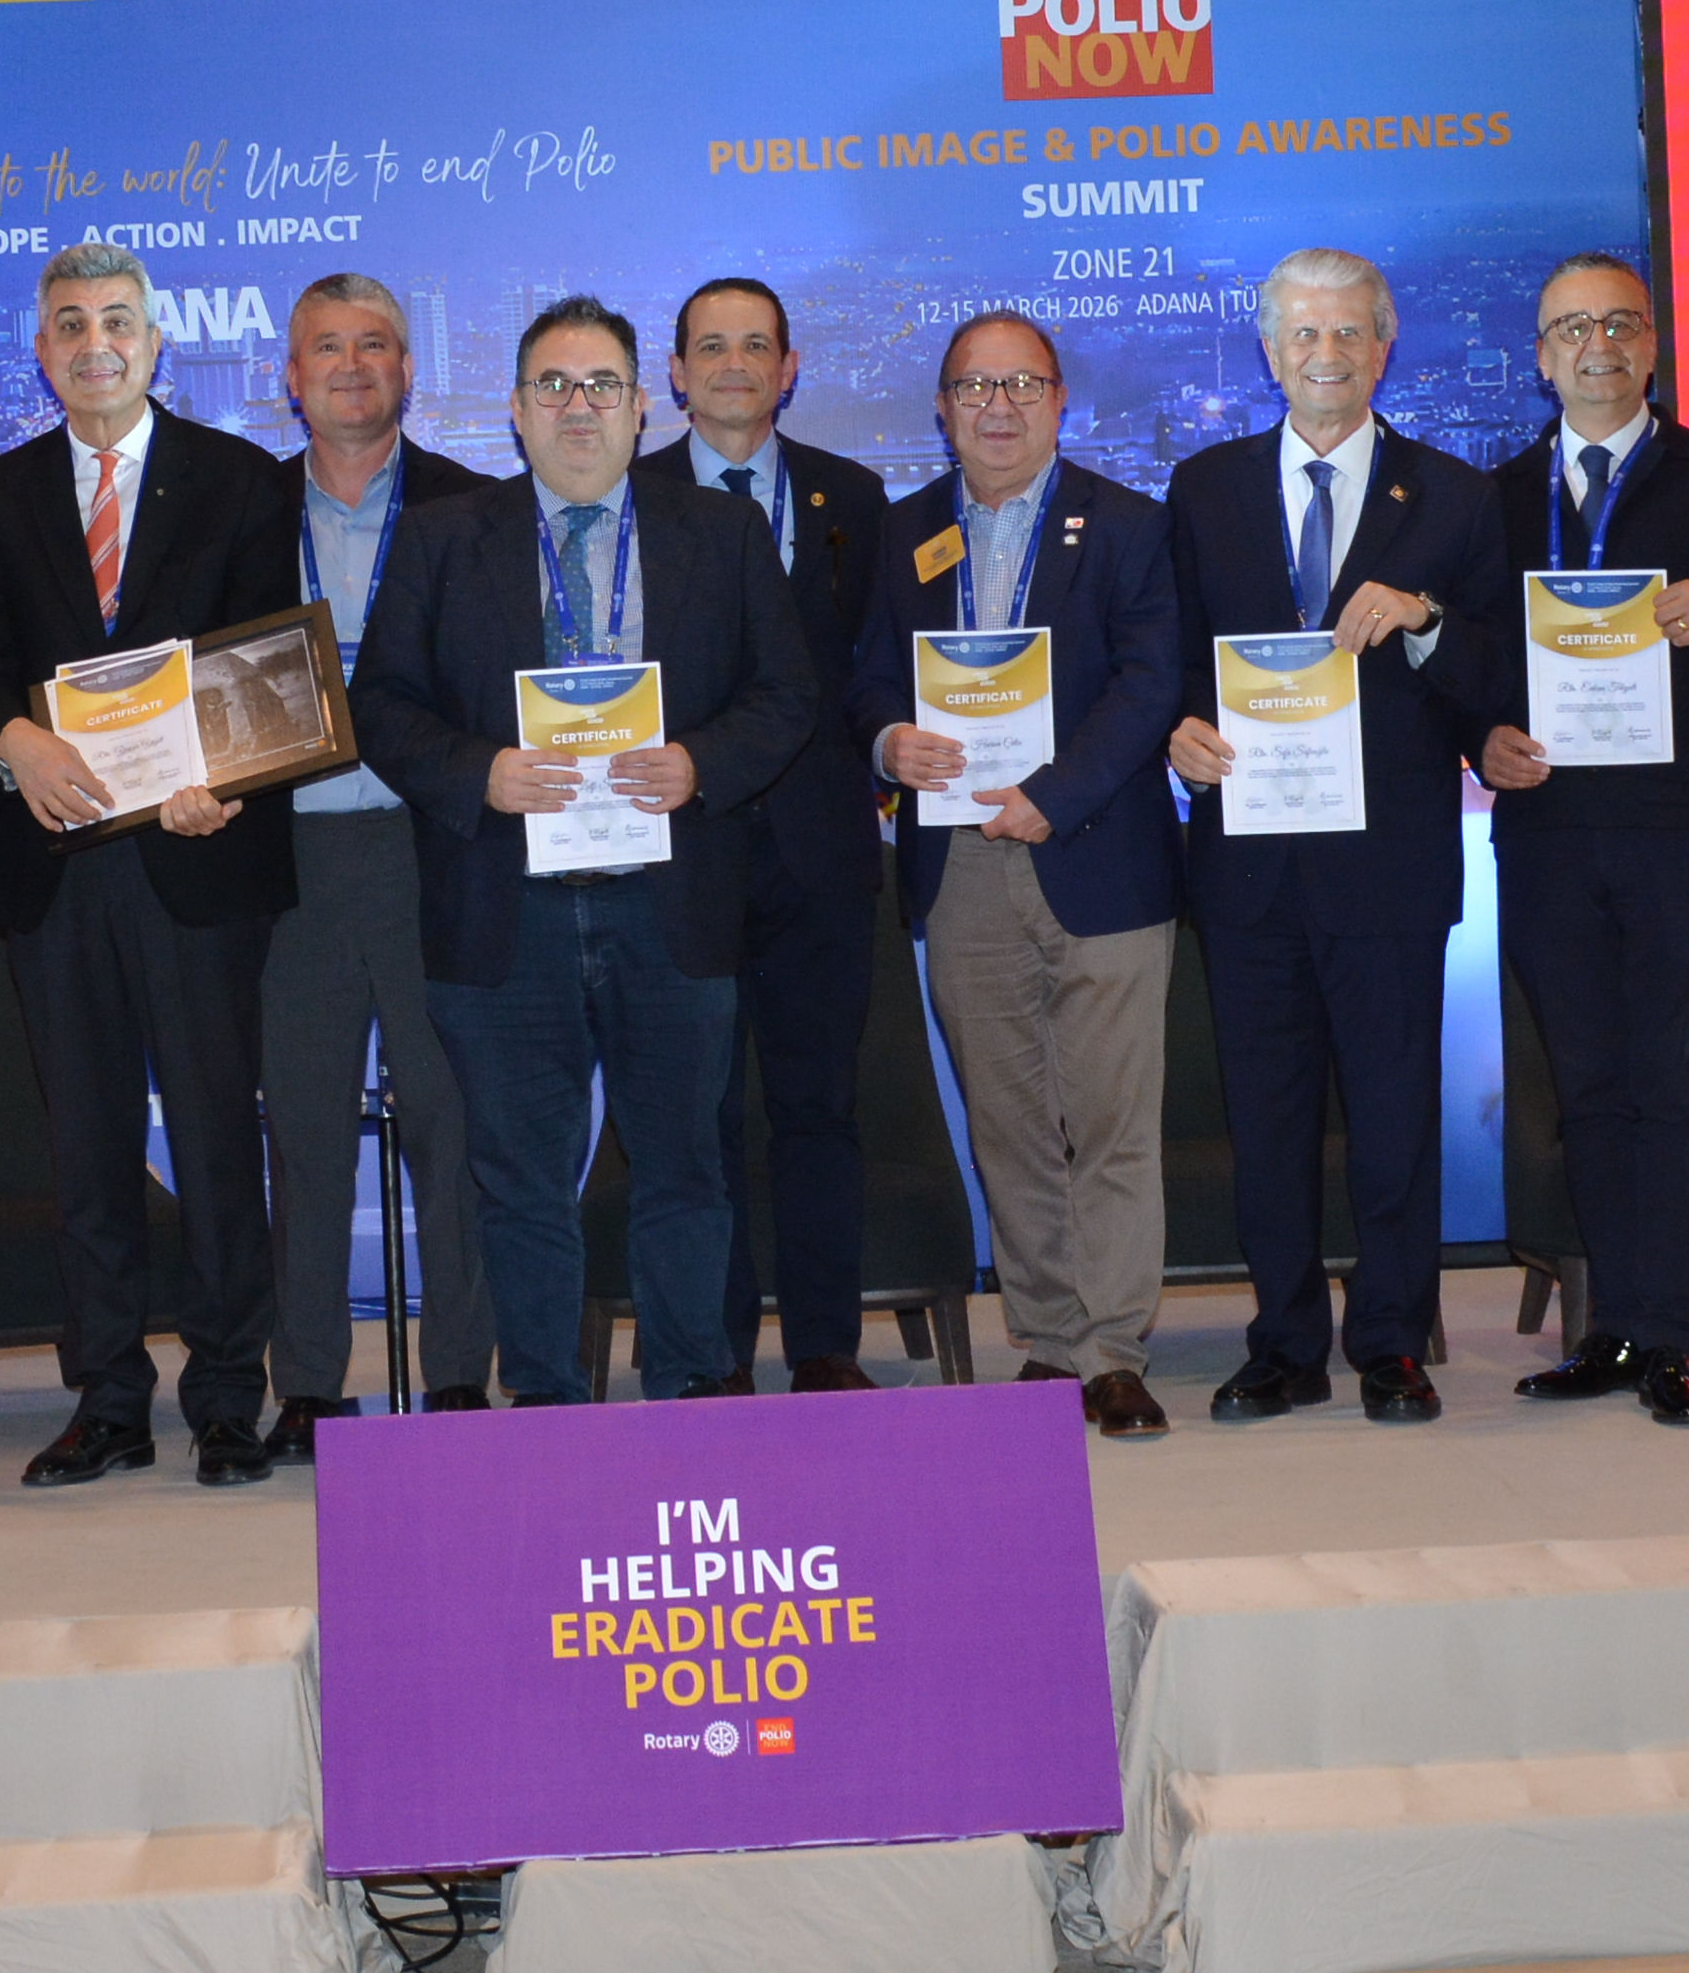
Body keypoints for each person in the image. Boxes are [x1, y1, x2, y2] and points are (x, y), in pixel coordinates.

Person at [350, 297, 811, 1406]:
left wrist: (699, 762)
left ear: (644, 405)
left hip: (672, 903)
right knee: (520, 1183)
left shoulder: (721, 534)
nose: (578, 406)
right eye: (552, 386)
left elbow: (787, 694)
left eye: (601, 384)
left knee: (686, 1171)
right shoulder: (443, 538)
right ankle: (547, 1408)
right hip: (505, 911)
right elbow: (382, 706)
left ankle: (690, 1392)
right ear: (514, 410)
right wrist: (480, 772)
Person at [0, 239, 304, 1490]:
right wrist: (12, 741)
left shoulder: (241, 479)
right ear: (41, 351)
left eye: (116, 320)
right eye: (69, 322)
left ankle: (225, 1397)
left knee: (214, 1142)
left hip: (198, 857)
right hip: (57, 864)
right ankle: (106, 1398)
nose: (93, 342)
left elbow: (264, 663)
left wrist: (226, 776)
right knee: (86, 1151)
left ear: (155, 344)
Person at [1162, 247, 1509, 1428]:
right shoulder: (1204, 488)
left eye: (1349, 332)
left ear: (1383, 346)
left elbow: (1495, 671)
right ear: (1270, 352)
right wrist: (1177, 727)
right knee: (1266, 1120)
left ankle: (1394, 1341)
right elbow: (1167, 652)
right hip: (1250, 865)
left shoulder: (1454, 496)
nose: (1326, 354)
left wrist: (1426, 619)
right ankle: (1285, 1342)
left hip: (1390, 867)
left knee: (1396, 1113)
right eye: (1303, 334)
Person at [1469, 251, 1689, 1427]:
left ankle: (1669, 1331)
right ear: (1540, 357)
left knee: (1674, 1086)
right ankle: (1609, 1323)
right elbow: (1470, 661)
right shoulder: (1497, 499)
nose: (1596, 346)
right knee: (1589, 1088)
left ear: (1651, 345)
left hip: (1680, 830)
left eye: (1619, 324)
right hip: (1548, 830)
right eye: (1571, 328)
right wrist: (1479, 737)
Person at [858, 311, 1186, 1436]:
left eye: (1022, 386)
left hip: (1098, 857)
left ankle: (1114, 1351)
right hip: (958, 864)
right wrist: (888, 742)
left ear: (1058, 401)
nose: (998, 408)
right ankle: (1050, 1341)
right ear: (942, 407)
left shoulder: (1130, 523)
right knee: (1007, 1121)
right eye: (974, 387)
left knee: (1111, 1122)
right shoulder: (904, 532)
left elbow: (1150, 681)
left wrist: (1057, 791)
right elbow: (865, 676)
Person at [642, 276, 904, 1392]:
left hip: (821, 852)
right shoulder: (632, 496)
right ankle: (714, 1349)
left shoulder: (856, 497)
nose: (734, 365)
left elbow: (876, 663)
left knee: (817, 1107)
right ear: (676, 373)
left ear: (790, 369)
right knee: (696, 1117)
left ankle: (824, 1343)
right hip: (680, 847)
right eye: (712, 347)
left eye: (756, 345)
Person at [257, 274, 497, 1444]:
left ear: (409, 368)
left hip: (431, 846)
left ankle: (458, 1375)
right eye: (327, 347)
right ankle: (307, 1381)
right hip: (291, 854)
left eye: (375, 345)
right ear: (289, 376)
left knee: (452, 1121)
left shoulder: (475, 508)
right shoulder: (243, 513)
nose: (351, 366)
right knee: (303, 1128)